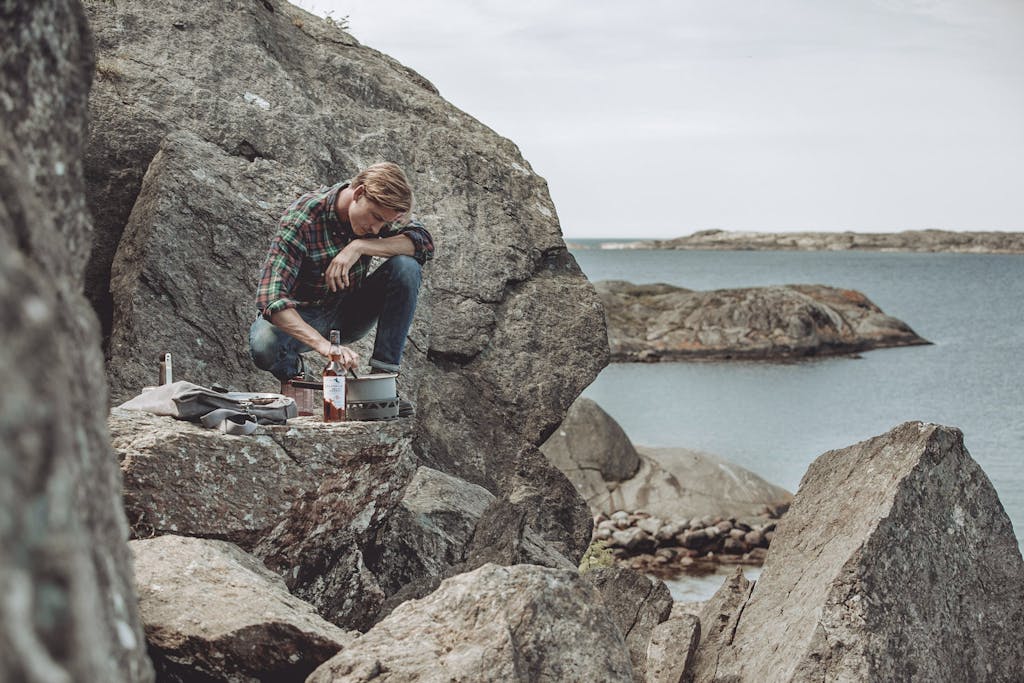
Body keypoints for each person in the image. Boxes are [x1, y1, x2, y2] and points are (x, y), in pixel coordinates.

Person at [249, 162, 433, 409]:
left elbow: (424, 244)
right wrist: (326, 348)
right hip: (306, 315)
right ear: (358, 194)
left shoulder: (380, 215)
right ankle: (297, 375)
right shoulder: (303, 218)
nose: (377, 228)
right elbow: (270, 299)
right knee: (264, 343)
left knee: (406, 267)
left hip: (350, 312)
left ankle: (381, 384)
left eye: (383, 223)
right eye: (376, 218)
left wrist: (359, 246)